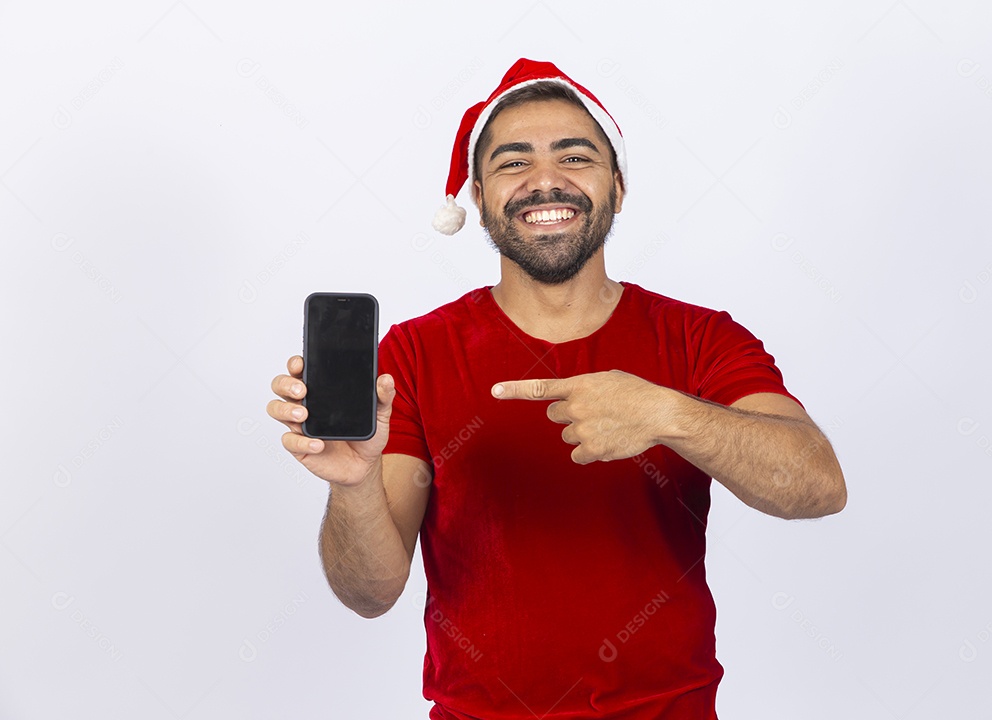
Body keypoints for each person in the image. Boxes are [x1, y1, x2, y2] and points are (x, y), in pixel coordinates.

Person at [267, 58, 846, 720]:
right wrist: (354, 484)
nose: (546, 180)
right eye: (514, 162)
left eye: (576, 157)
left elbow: (818, 487)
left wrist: (669, 414)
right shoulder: (414, 353)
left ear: (618, 188)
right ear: (478, 197)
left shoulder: (700, 339)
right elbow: (369, 593)